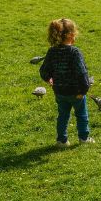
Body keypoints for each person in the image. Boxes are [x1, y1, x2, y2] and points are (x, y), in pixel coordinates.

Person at [39, 18, 93, 146]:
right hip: (76, 92)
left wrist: (48, 79)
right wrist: (84, 90)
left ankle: (61, 140)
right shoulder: (75, 52)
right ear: (70, 35)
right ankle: (84, 138)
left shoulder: (52, 51)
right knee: (81, 115)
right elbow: (82, 73)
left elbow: (44, 70)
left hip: (59, 91)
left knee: (63, 116)